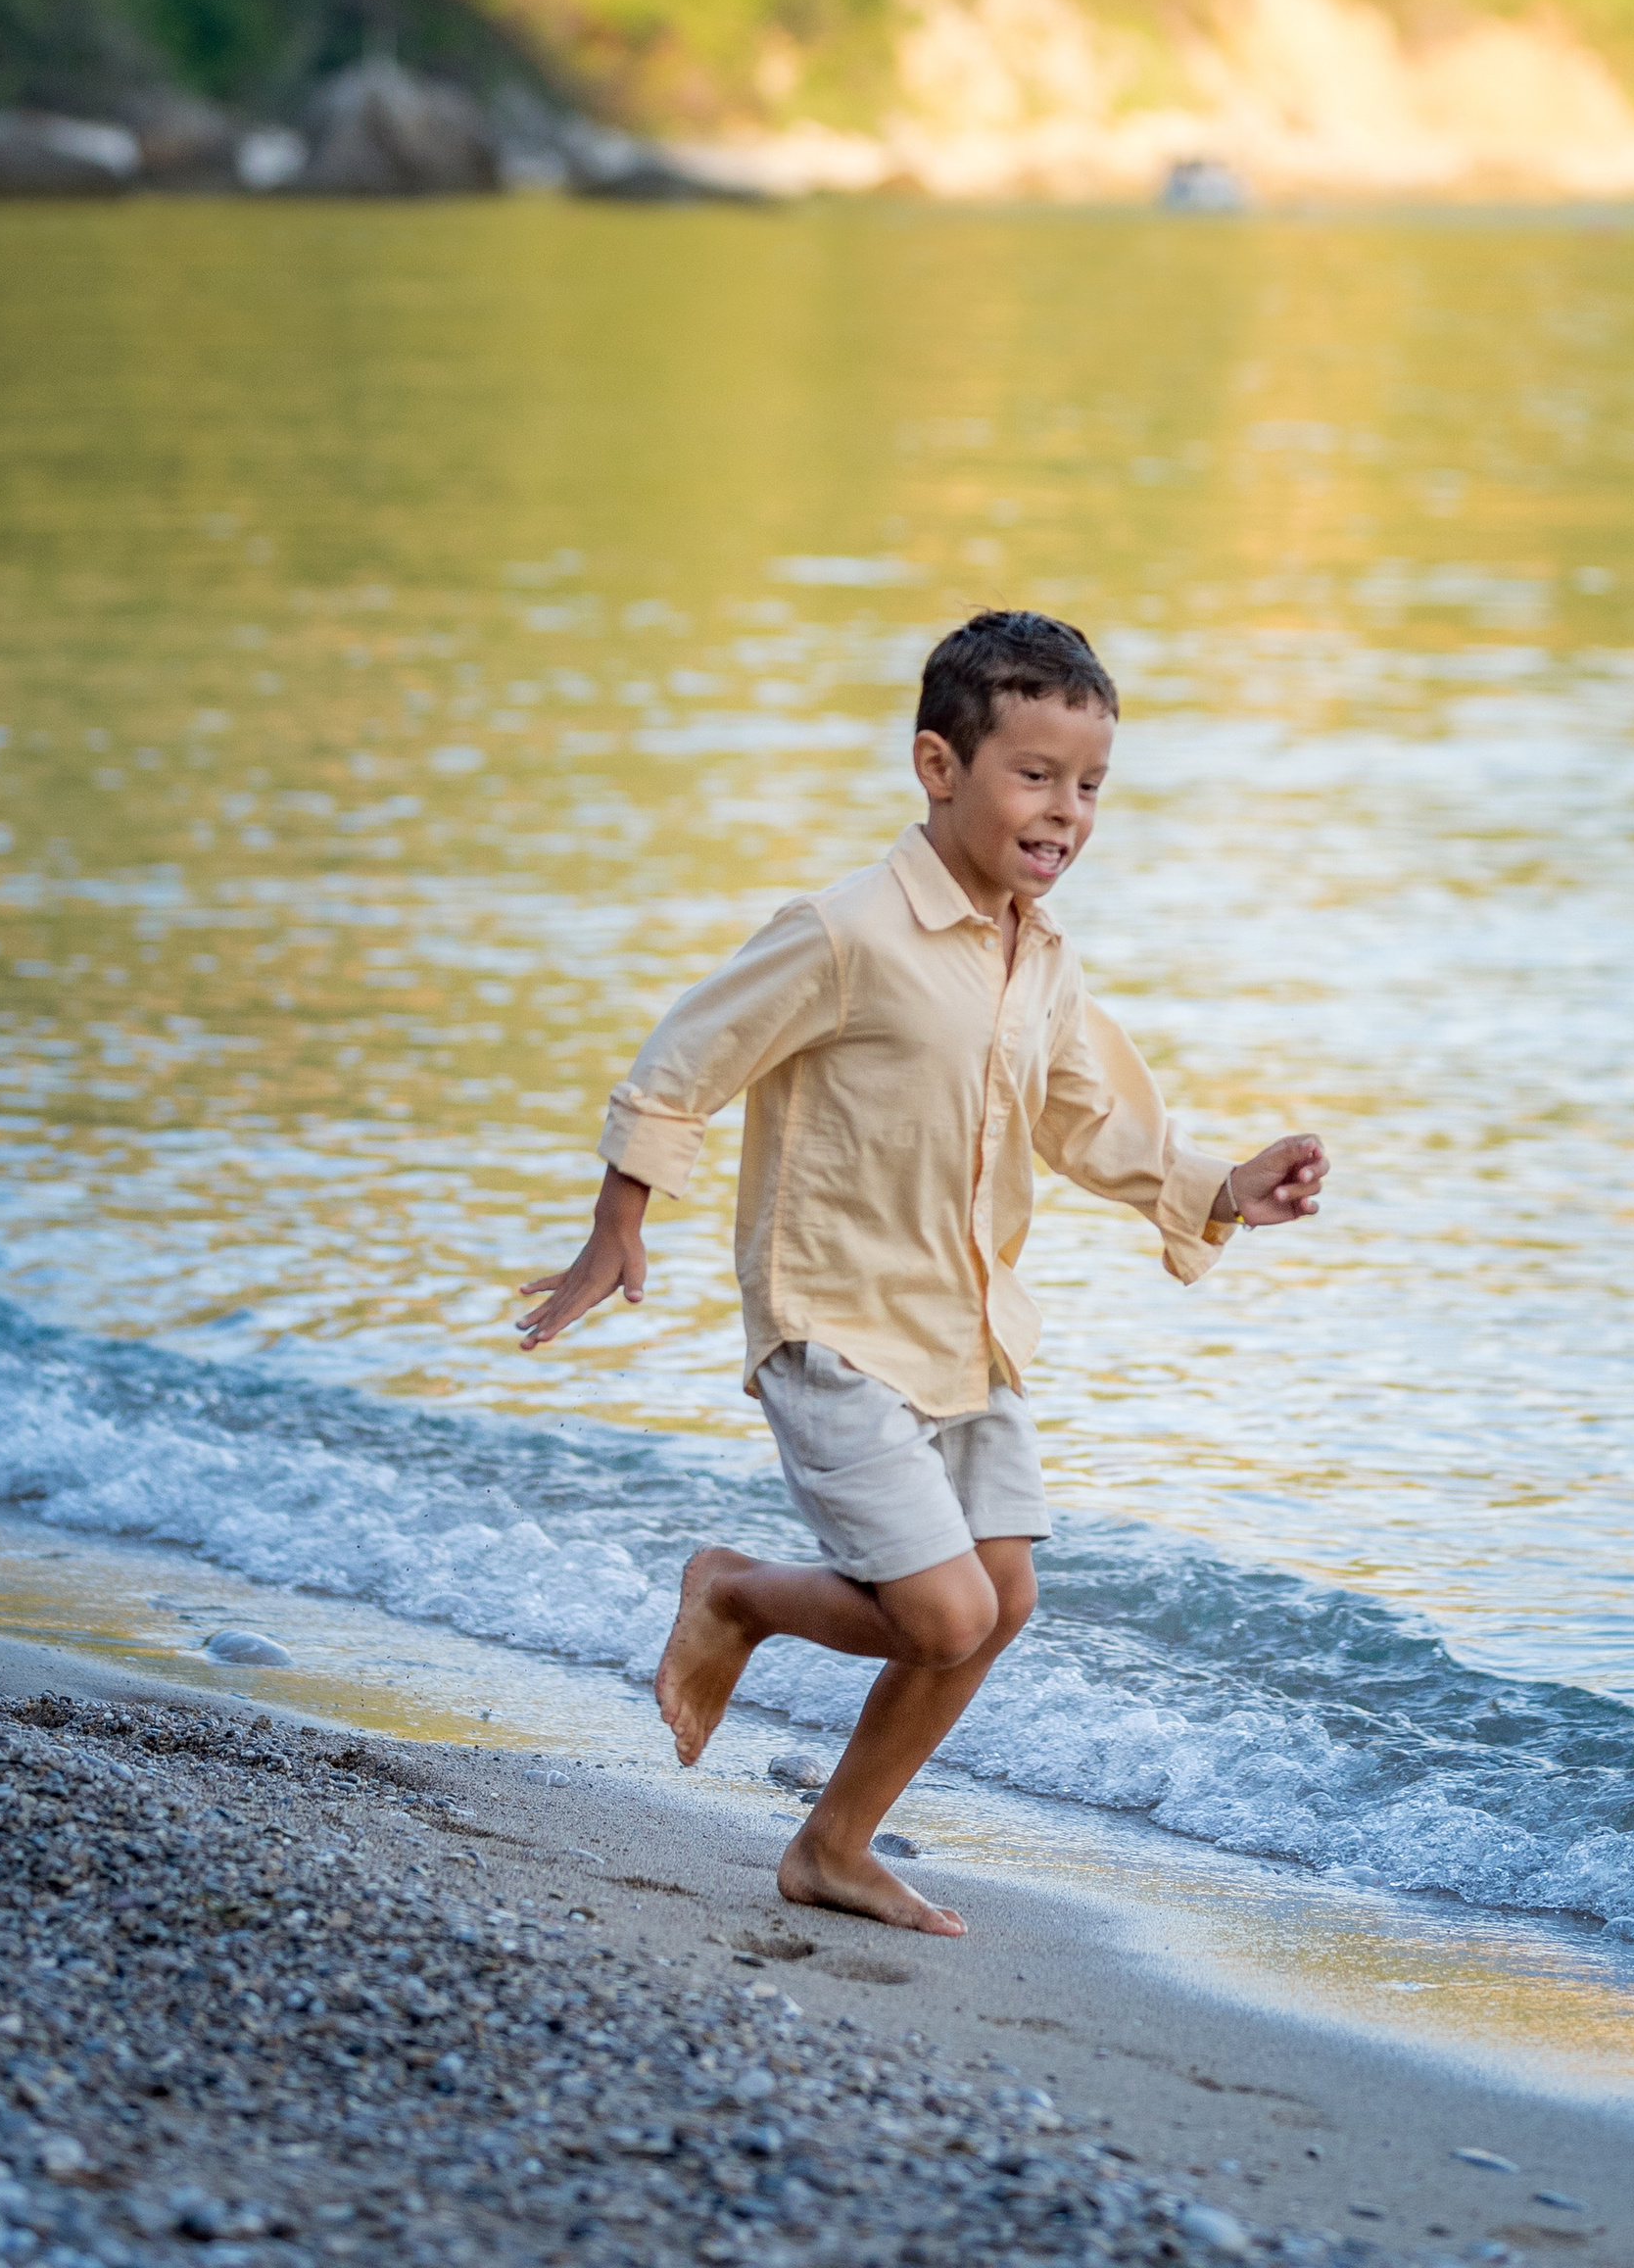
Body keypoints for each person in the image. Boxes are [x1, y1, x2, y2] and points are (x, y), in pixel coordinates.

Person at [518, 608, 1327, 1938]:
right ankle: (731, 1592)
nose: (1066, 810)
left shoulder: (1040, 959)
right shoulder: (848, 933)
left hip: (967, 1328)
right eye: (1035, 774)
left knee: (1002, 1601)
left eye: (1090, 786)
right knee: (941, 1609)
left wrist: (1222, 1187)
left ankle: (834, 1843)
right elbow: (686, 1055)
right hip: (834, 1321)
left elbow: (1087, 1120)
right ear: (938, 768)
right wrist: (621, 1223)